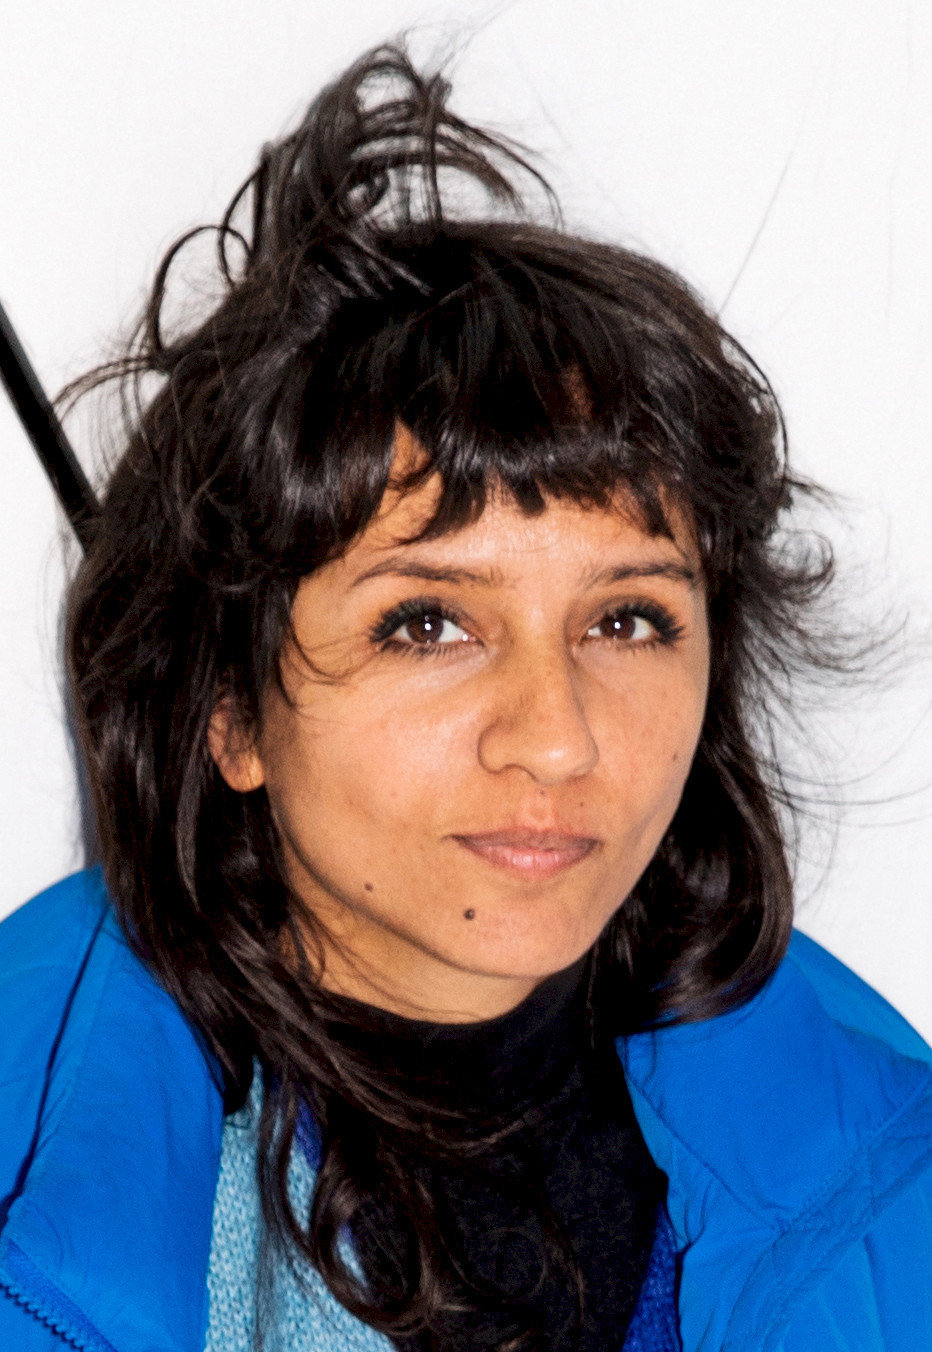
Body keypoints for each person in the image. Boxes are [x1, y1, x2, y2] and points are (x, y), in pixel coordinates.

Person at [1, 44, 930, 1352]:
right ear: (229, 711)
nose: (556, 736)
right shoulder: (38, 1202)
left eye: (625, 619)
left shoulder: (890, 1175)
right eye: (427, 622)